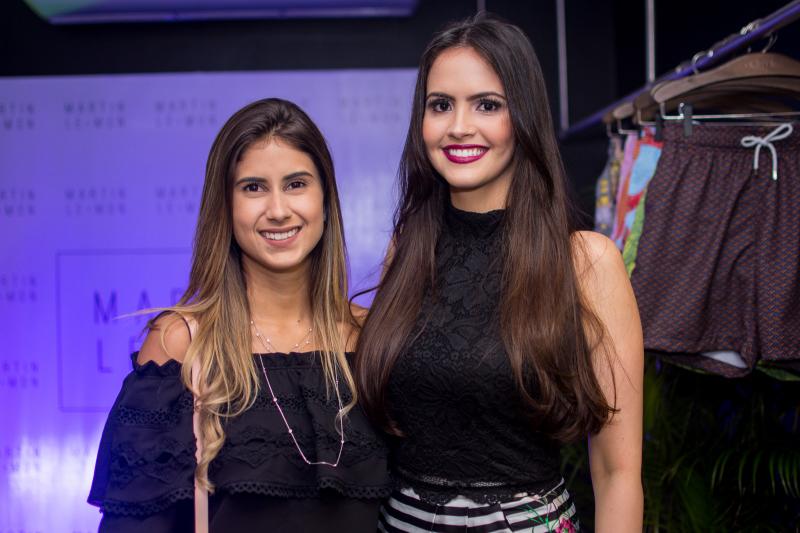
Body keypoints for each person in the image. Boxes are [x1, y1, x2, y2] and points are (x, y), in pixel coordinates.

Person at [355, 13, 643, 533]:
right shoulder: (408, 251)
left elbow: (617, 474)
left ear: (524, 116)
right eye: (440, 105)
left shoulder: (586, 262)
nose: (459, 126)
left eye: (487, 104)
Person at [88, 98, 391, 532]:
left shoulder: (372, 337)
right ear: (225, 206)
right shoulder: (182, 343)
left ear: (325, 199)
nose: (278, 210)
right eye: (253, 188)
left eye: (296, 184)